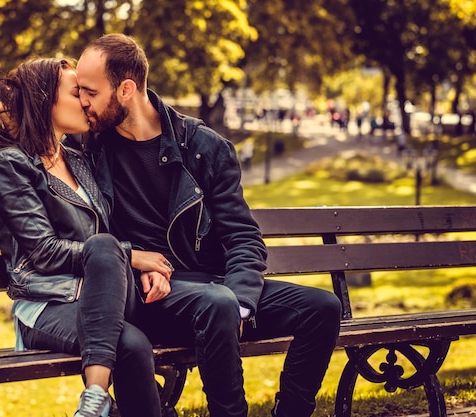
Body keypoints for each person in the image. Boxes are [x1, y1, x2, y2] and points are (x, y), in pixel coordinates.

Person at [75, 33, 342, 417]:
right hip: (150, 297)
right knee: (218, 302)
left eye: (90, 91)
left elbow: (244, 237)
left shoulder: (203, 147)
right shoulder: (89, 149)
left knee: (322, 307)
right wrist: (136, 263)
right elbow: (90, 234)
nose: (82, 100)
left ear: (125, 89)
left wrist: (242, 305)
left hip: (216, 288)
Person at [0, 57, 169, 417]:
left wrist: (139, 265)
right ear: (45, 102)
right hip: (46, 304)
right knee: (130, 344)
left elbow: (110, 236)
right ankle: (98, 402)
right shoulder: (11, 165)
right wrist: (130, 257)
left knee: (151, 319)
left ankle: (99, 405)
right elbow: (43, 252)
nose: (85, 101)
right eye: (75, 92)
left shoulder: (81, 160)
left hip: (103, 298)